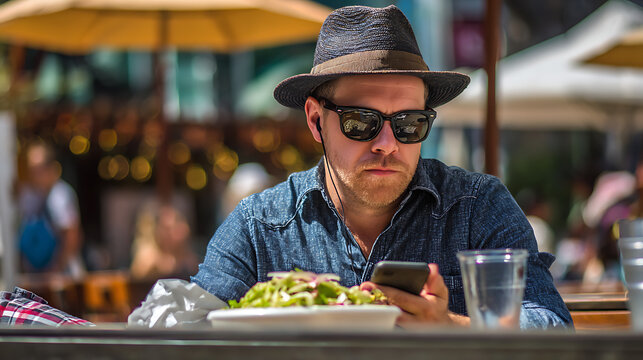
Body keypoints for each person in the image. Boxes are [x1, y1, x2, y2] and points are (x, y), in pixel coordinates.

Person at [192, 5, 572, 329]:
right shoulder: (261, 227)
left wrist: (451, 328)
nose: (387, 144)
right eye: (361, 122)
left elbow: (550, 323)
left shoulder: (477, 206)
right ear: (314, 120)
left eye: (409, 124)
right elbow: (188, 328)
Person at [17, 141, 85, 279]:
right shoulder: (34, 196)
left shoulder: (61, 195)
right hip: (41, 277)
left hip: (63, 278)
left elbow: (72, 237)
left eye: (39, 170)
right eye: (32, 170)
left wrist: (55, 271)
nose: (34, 176)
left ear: (52, 168)